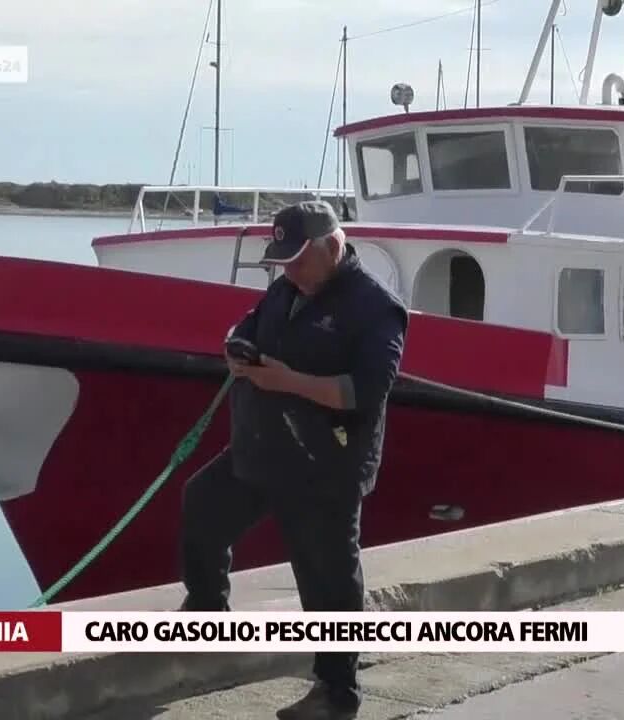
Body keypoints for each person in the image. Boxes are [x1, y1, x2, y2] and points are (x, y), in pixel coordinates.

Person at [179, 200, 408, 720]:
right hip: (265, 448)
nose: (290, 271)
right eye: (283, 262)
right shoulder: (288, 288)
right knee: (203, 508)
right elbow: (250, 323)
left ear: (332, 247)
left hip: (326, 464)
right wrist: (236, 346)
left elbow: (366, 393)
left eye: (298, 260)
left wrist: (285, 381)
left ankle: (337, 692)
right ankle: (207, 610)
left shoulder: (376, 308)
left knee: (325, 577)